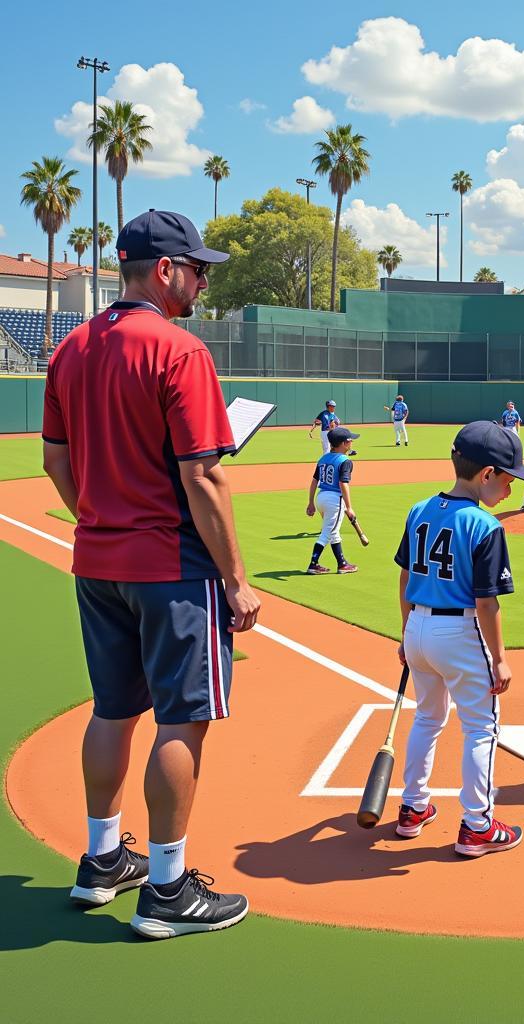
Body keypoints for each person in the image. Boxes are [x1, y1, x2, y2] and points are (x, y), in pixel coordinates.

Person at [42, 209, 259, 940]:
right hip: (170, 566)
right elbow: (204, 478)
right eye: (197, 269)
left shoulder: (70, 347)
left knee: (112, 709)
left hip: (98, 560)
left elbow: (55, 460)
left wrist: (100, 517)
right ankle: (167, 890)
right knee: (182, 719)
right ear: (164, 272)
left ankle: (102, 861)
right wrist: (235, 579)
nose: (202, 281)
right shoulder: (179, 349)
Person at [393, 421, 524, 857]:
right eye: (509, 478)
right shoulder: (485, 525)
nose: (512, 489)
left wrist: (404, 633)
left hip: (417, 627)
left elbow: (404, 577)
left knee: (427, 718)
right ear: (487, 474)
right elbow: (487, 603)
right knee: (480, 727)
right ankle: (477, 825)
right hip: (458, 632)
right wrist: (500, 658)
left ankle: (413, 807)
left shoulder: (419, 509)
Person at [305, 426, 360, 575]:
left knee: (333, 531)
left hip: (321, 497)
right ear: (343, 443)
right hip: (334, 500)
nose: (351, 443)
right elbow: (343, 483)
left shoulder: (323, 458)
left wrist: (311, 503)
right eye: (350, 441)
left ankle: (342, 564)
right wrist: (349, 507)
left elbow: (314, 481)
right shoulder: (345, 461)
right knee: (327, 533)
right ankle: (313, 563)